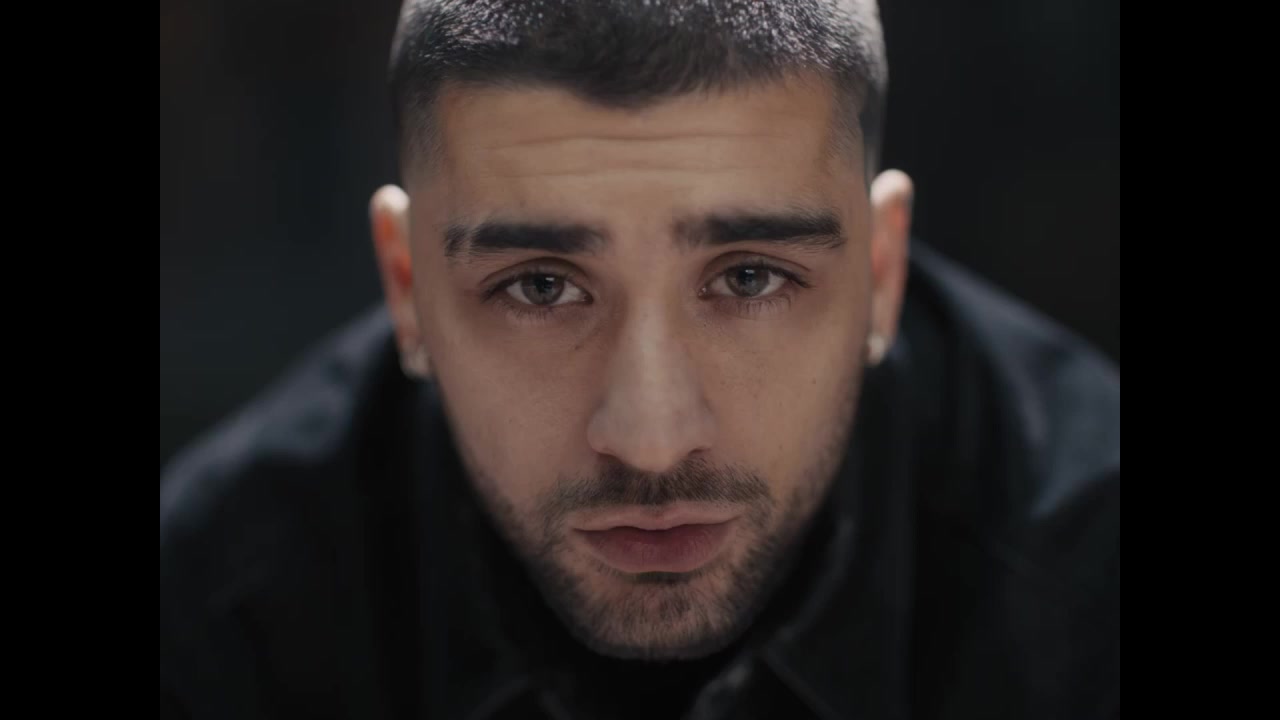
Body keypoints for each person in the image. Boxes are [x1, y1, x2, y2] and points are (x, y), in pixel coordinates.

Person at [160, 1, 1120, 718]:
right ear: (406, 289)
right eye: (542, 287)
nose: (652, 440)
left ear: (881, 269)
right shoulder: (214, 620)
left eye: (749, 277)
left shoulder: (1091, 589)